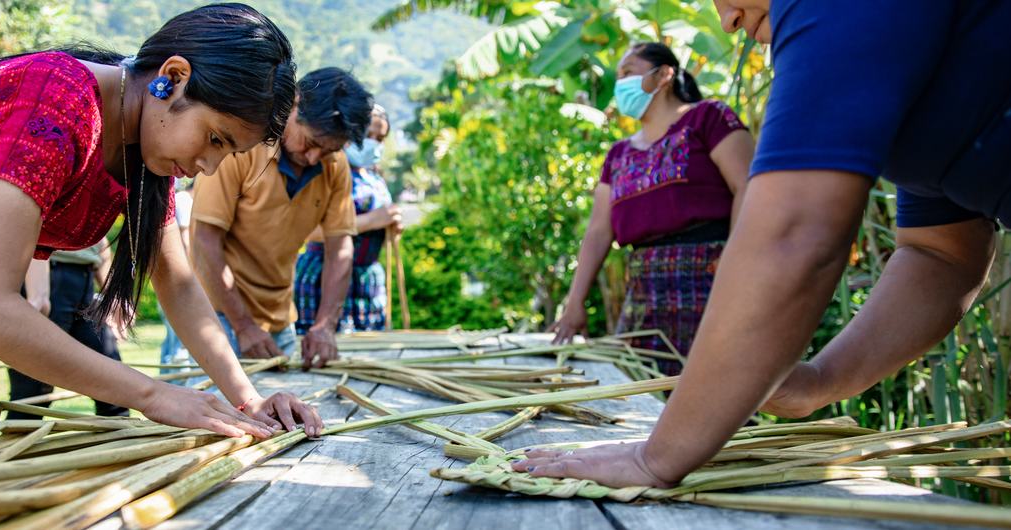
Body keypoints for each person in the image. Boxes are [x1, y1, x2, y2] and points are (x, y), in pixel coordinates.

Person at [515, 0, 1011, 489]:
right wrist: (818, 382)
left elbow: (793, 232)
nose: (727, 19)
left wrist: (655, 457)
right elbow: (941, 252)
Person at [0, 3, 322, 466]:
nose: (209, 166)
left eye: (226, 153)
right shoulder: (60, 99)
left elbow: (176, 282)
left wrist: (248, 400)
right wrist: (152, 394)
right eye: (215, 138)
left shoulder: (142, 158)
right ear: (172, 78)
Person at [549, 42, 754, 376]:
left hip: (712, 276)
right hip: (644, 290)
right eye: (618, 76)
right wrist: (575, 304)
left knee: (716, 386)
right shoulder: (618, 155)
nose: (621, 84)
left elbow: (748, 186)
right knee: (641, 391)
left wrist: (736, 262)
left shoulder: (708, 118)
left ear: (664, 75)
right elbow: (599, 231)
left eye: (629, 72)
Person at [192, 67, 372, 370]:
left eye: (328, 151)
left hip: (278, 319)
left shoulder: (335, 166)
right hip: (214, 314)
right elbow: (205, 239)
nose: (315, 158)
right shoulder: (243, 146)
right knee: (206, 412)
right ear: (294, 104)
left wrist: (325, 325)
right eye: (312, 143)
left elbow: (340, 249)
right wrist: (243, 326)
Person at [294, 105, 401, 334]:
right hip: (325, 276)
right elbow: (304, 230)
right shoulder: (325, 169)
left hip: (367, 281)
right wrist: (371, 221)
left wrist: (391, 225)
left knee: (369, 355)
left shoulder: (374, 176)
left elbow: (381, 218)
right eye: (367, 134)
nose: (374, 142)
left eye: (380, 138)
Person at [10, 242, 130, 419]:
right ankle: (13, 443)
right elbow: (37, 227)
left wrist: (113, 294)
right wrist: (38, 293)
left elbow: (99, 239)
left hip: (84, 280)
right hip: (49, 279)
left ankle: (122, 442)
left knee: (116, 390)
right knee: (31, 397)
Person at [159, 179, 194, 378]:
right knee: (176, 345)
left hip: (180, 279)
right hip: (180, 275)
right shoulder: (182, 200)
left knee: (173, 342)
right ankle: (173, 383)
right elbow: (186, 240)